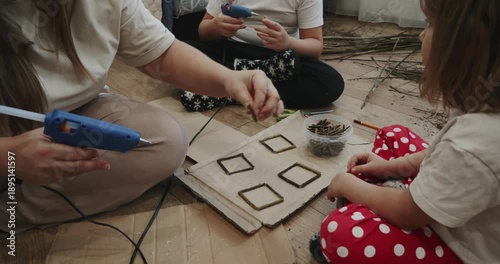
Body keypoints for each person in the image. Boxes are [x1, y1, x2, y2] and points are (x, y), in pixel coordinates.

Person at [0, 0, 283, 234]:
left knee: (166, 140)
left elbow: (161, 56)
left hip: (74, 112)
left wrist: (230, 80)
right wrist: (8, 156)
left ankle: (15, 209)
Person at [310, 0, 500, 263]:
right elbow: (435, 154)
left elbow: (407, 212)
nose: (421, 34)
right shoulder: (485, 104)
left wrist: (347, 185)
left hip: (463, 247)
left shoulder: (473, 143)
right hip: (451, 200)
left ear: (465, 48)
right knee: (393, 133)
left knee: (340, 231)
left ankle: (374, 200)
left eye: (430, 25)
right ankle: (383, 192)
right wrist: (391, 167)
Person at [179, 0, 345, 112]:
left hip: (278, 61)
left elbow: (315, 46)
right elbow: (204, 32)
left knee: (330, 82)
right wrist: (216, 27)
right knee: (180, 52)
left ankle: (229, 88)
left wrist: (288, 43)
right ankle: (245, 86)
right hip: (232, 51)